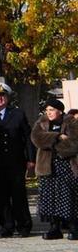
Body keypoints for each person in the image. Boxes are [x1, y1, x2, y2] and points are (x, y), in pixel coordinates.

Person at [0, 82, 33, 237]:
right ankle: (7, 226)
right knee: (1, 196)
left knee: (18, 195)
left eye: (2, 95)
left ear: (7, 97)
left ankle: (24, 225)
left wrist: (30, 159)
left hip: (15, 161)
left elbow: (27, 138)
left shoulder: (17, 113)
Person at [31, 98, 78, 240]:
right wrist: (57, 137)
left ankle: (73, 227)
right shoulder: (41, 122)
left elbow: (74, 143)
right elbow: (36, 138)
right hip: (47, 165)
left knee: (68, 196)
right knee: (49, 198)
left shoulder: (71, 121)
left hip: (66, 165)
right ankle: (54, 228)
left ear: (60, 111)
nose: (49, 113)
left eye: (52, 110)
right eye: (47, 110)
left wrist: (53, 145)